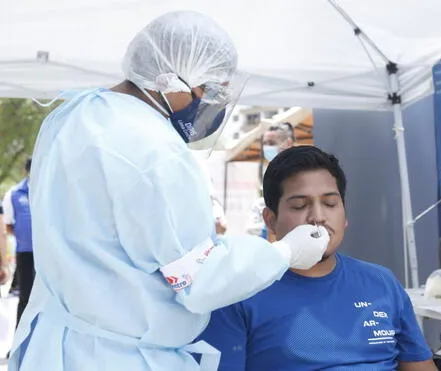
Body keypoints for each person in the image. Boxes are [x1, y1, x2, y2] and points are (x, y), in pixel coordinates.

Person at [9, 11, 329, 371]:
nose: (213, 102)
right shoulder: (155, 151)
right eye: (210, 89)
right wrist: (284, 252)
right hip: (120, 355)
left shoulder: (69, 117)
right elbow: (201, 280)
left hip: (56, 345)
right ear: (169, 78)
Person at [199, 146, 438, 371]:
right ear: (270, 220)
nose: (318, 217)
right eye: (300, 205)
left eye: (330, 203)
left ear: (344, 215)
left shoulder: (381, 282)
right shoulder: (239, 292)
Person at [246, 122, 295, 238]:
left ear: (288, 143)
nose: (267, 147)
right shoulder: (267, 173)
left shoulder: (298, 172)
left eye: (272, 143)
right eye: (265, 143)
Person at [2, 158, 33, 328]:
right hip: (25, 252)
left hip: (47, 253)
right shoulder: (15, 194)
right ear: (26, 171)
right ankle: (18, 341)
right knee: (25, 297)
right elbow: (8, 225)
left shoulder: (46, 191)